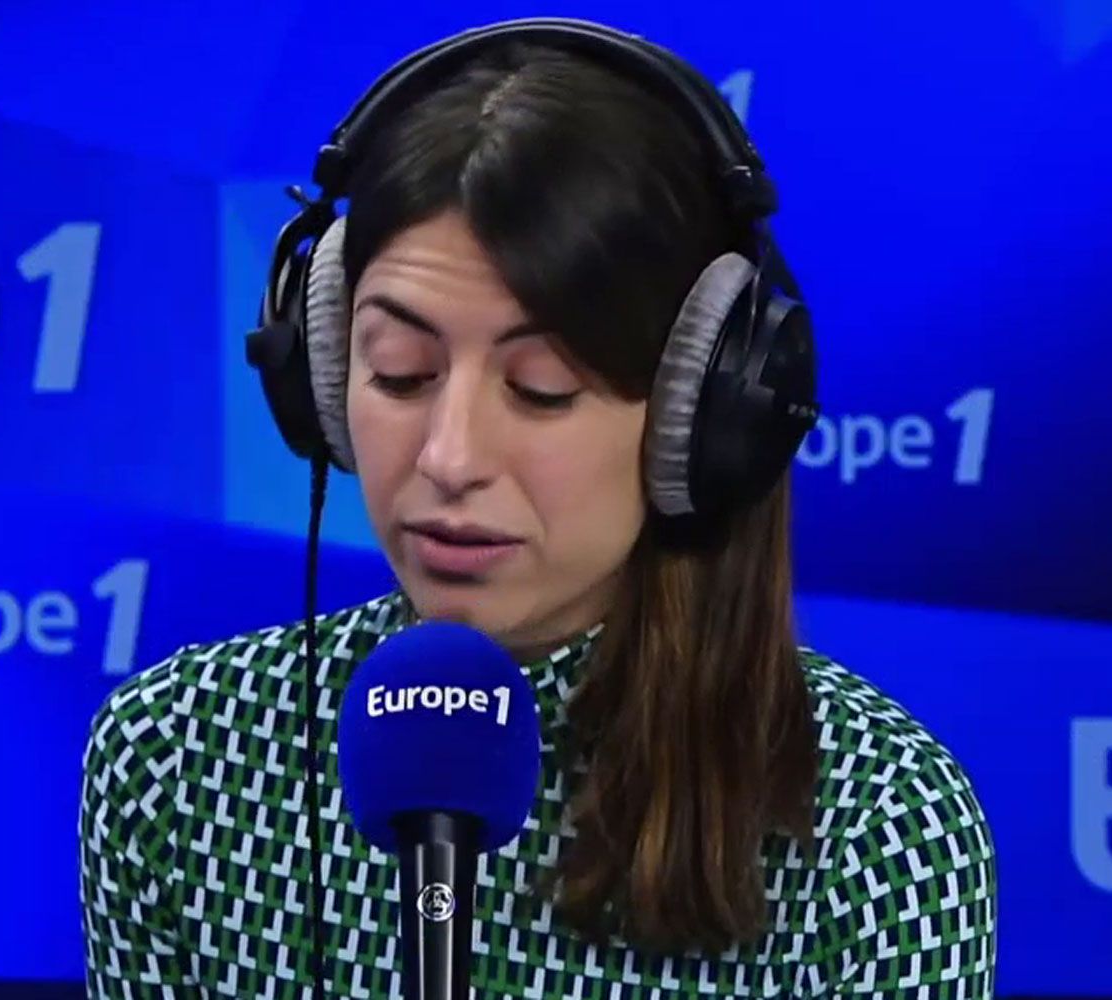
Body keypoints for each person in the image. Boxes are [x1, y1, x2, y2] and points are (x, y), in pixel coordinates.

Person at [79, 19, 995, 999]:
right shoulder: (178, 759)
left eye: (542, 387)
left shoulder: (878, 828)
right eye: (400, 371)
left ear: (700, 415)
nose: (449, 457)